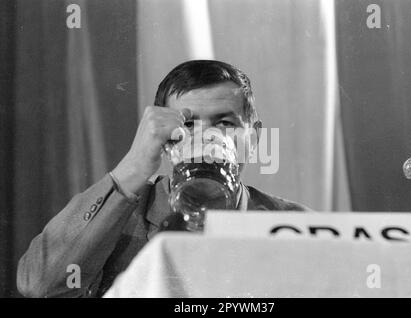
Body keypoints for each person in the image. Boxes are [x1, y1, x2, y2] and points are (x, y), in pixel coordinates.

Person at [17, 60, 310, 298]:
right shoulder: (118, 219)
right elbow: (39, 285)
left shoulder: (296, 226)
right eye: (188, 123)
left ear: (254, 137)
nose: (207, 138)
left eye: (225, 123)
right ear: (165, 138)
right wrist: (134, 165)